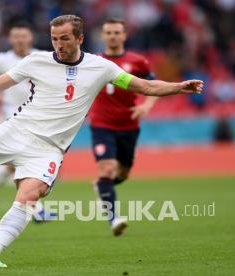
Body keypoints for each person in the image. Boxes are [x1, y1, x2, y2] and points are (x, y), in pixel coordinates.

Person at [0, 15, 203, 268]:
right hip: (16, 131)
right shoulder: (35, 61)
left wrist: (178, 87)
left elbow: (144, 85)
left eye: (65, 38)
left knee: (30, 196)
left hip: (48, 150)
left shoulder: (100, 67)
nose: (59, 44)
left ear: (80, 38)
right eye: (55, 38)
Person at [0, 22, 54, 225]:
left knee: (11, 166)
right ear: (10, 39)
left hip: (35, 119)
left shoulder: (41, 57)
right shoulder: (1, 60)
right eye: (16, 36)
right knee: (20, 163)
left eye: (24, 36)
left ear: (30, 38)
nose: (20, 40)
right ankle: (36, 209)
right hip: (9, 118)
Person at [88, 18, 158, 236]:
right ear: (102, 35)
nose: (113, 36)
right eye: (108, 32)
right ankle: (114, 218)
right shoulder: (93, 60)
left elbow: (153, 85)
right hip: (102, 124)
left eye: (117, 32)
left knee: (123, 174)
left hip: (129, 125)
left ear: (124, 35)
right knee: (107, 169)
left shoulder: (138, 61)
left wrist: (146, 105)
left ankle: (102, 187)